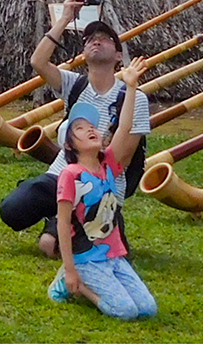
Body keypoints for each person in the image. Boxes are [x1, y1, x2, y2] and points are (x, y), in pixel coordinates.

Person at [0, 0, 150, 259]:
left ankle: (70, 221)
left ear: (118, 56)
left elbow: (120, 158)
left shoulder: (132, 97)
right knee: (12, 209)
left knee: (51, 246)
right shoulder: (75, 85)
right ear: (83, 53)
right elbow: (38, 62)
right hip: (62, 176)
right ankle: (61, 213)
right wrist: (65, 18)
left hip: (101, 187)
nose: (96, 41)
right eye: (91, 39)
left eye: (105, 39)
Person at [47, 58, 158, 321]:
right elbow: (63, 224)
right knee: (126, 311)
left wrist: (131, 87)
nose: (90, 130)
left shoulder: (109, 164)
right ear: (70, 145)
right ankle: (76, 285)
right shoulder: (70, 175)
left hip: (113, 255)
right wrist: (72, 268)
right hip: (85, 257)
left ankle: (81, 279)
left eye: (92, 126)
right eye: (80, 128)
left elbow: (126, 126)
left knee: (148, 309)